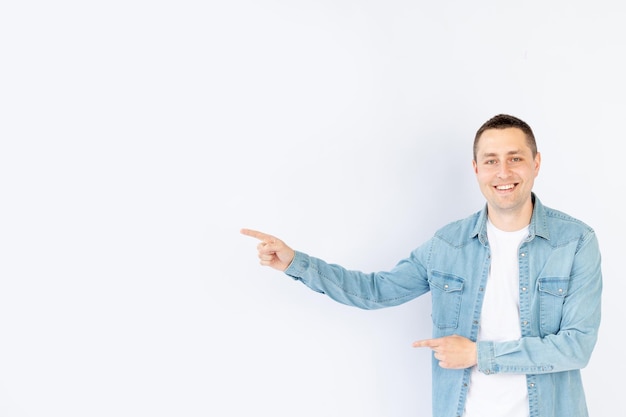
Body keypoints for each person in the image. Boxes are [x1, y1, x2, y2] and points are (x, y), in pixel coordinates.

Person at [240, 114, 602, 417]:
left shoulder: (575, 242)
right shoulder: (447, 245)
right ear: (476, 169)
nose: (502, 172)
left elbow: (576, 347)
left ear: (536, 163)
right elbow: (376, 291)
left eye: (515, 158)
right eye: (491, 160)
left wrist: (478, 354)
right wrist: (296, 263)